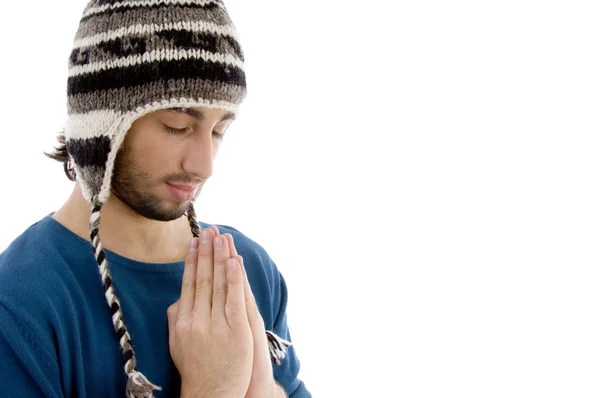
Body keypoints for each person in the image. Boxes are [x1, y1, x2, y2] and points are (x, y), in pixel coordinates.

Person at [0, 0, 311, 397]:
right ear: (102, 123)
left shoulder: (246, 270)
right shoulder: (19, 306)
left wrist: (261, 385)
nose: (204, 165)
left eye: (219, 131)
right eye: (178, 126)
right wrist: (212, 387)